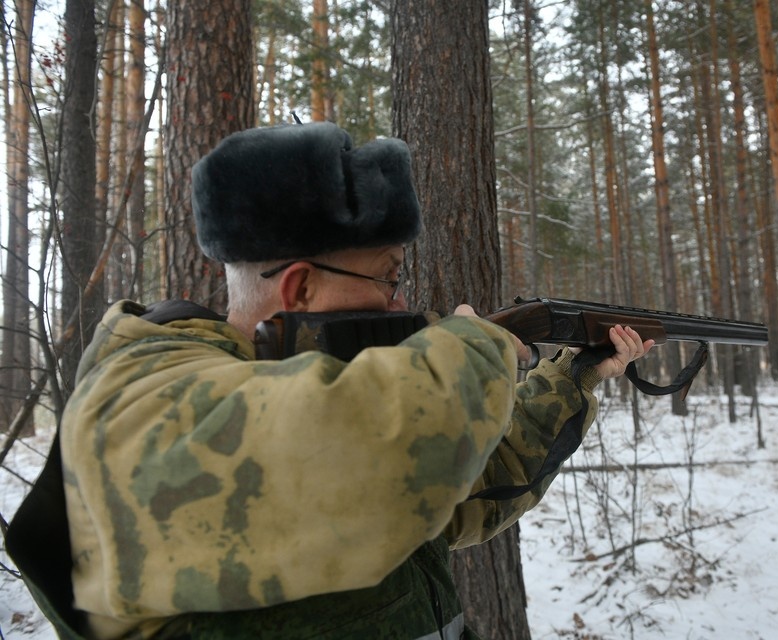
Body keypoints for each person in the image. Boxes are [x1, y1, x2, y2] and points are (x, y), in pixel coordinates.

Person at [38, 122, 652, 639]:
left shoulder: (321, 392)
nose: (399, 301)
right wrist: (478, 349)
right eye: (388, 277)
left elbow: (469, 488)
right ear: (300, 286)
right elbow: (365, 451)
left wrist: (572, 377)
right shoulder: (140, 404)